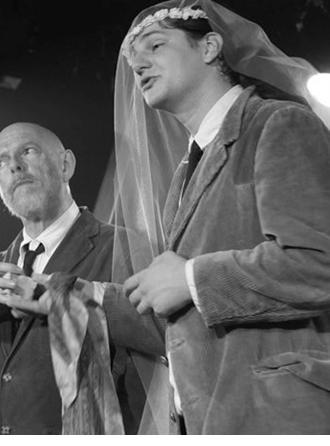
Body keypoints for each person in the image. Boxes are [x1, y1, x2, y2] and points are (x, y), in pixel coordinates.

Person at [112, 0, 330, 434]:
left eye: (155, 45)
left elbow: (318, 263)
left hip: (281, 418)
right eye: (133, 59)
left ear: (210, 46)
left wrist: (191, 278)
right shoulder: (184, 174)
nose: (138, 65)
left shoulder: (279, 123)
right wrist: (63, 296)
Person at [0, 122, 164, 434]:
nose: (14, 166)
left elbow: (165, 336)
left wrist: (61, 298)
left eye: (28, 151)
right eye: (1, 163)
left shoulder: (125, 248)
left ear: (66, 165)